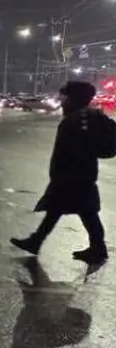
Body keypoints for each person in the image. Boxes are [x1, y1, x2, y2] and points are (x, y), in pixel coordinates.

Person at [10, 79, 111, 264]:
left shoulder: (78, 119)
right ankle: (37, 241)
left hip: (73, 175)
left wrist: (63, 172)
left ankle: (97, 248)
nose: (62, 101)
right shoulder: (87, 115)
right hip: (79, 174)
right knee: (67, 210)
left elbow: (76, 148)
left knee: (78, 211)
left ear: (74, 98)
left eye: (65, 97)